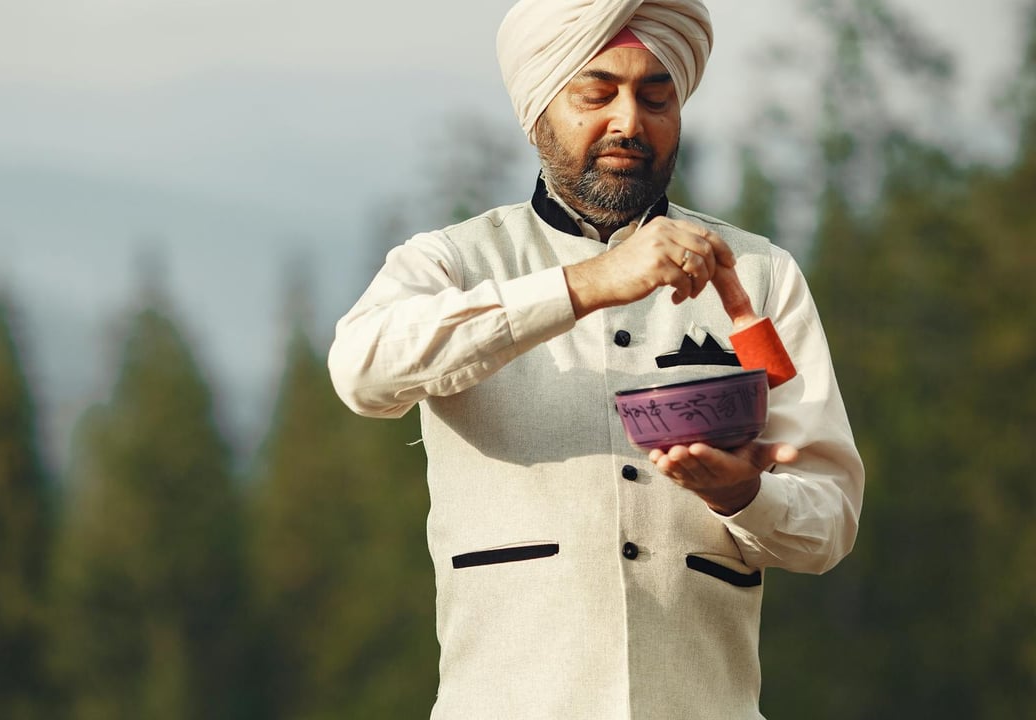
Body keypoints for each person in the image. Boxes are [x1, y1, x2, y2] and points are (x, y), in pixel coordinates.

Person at [327, 0, 864, 717]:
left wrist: (743, 495)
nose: (628, 122)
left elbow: (827, 519)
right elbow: (362, 370)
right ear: (540, 106)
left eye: (655, 96)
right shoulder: (455, 262)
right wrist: (583, 287)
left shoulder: (759, 275)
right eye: (596, 92)